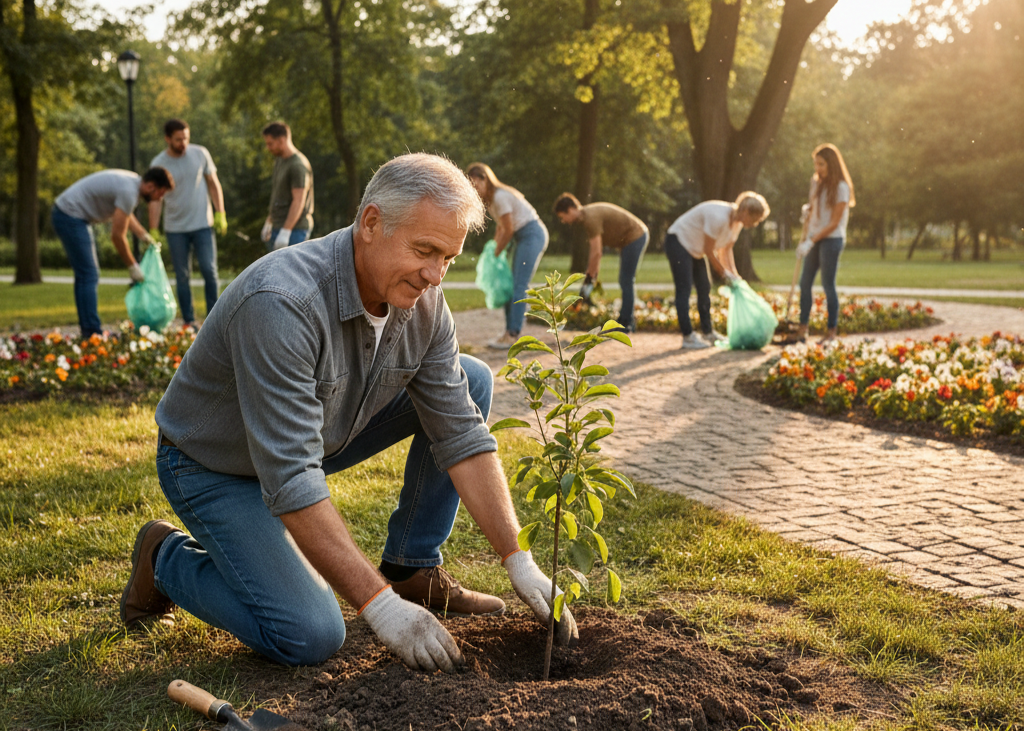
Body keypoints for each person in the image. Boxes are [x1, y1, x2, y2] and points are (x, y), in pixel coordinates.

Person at [120, 153, 578, 672]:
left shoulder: (425, 301)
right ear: (371, 222)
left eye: (448, 258)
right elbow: (292, 478)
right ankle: (164, 559)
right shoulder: (282, 302)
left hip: (315, 437)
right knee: (310, 633)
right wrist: (381, 608)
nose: (434, 275)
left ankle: (412, 566)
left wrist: (519, 561)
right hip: (215, 465)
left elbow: (462, 433)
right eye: (424, 250)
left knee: (469, 380)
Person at [52, 168, 174, 338]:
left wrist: (142, 234)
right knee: (89, 274)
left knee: (85, 275)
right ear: (151, 186)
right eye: (160, 194)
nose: (159, 199)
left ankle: (88, 329)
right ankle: (91, 332)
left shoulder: (132, 184)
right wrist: (132, 266)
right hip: (70, 215)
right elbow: (117, 236)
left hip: (68, 213)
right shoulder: (129, 191)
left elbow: (125, 214)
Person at [664, 193, 771, 349]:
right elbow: (709, 250)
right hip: (678, 241)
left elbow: (726, 250)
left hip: (695, 249)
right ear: (746, 211)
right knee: (684, 288)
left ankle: (708, 333)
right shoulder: (718, 217)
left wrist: (734, 275)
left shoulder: (737, 224)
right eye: (754, 219)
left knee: (705, 287)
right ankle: (688, 337)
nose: (754, 224)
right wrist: (723, 273)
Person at [148, 119, 228, 327]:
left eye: (186, 138)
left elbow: (213, 183)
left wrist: (220, 212)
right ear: (167, 139)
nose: (183, 142)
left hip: (203, 223)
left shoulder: (200, 153)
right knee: (182, 276)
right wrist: (153, 228)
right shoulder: (159, 163)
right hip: (175, 228)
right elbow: (155, 199)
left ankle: (214, 320)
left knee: (209, 270)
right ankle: (188, 320)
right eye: (178, 139)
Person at [466, 163, 549, 350]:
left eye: (476, 183)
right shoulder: (492, 201)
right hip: (522, 237)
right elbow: (501, 228)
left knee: (519, 285)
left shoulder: (500, 197)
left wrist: (496, 253)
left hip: (532, 234)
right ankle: (508, 332)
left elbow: (509, 230)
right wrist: (495, 248)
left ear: (485, 179)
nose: (474, 189)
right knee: (510, 285)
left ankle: (513, 334)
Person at [553, 193, 649, 332]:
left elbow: (597, 253)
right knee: (626, 280)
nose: (564, 221)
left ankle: (626, 323)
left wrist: (589, 280)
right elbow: (595, 255)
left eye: (563, 217)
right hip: (629, 240)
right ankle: (625, 320)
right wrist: (590, 279)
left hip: (635, 236)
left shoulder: (590, 218)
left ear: (570, 209)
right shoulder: (586, 216)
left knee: (626, 280)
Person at [796, 143, 856, 345]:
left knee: (827, 284)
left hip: (831, 240)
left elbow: (834, 223)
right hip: (813, 236)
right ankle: (802, 328)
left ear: (831, 164)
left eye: (821, 164)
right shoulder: (816, 183)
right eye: (815, 164)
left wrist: (811, 241)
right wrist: (807, 210)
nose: (817, 168)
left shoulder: (841, 188)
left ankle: (831, 331)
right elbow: (814, 208)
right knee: (805, 283)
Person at [260, 121, 314, 250]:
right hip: (277, 226)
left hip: (295, 230)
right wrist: (269, 220)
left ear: (281, 140)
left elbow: (299, 200)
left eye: (270, 144)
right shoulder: (280, 161)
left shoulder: (298, 165)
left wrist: (286, 232)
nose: (268, 148)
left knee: (292, 270)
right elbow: (278, 195)